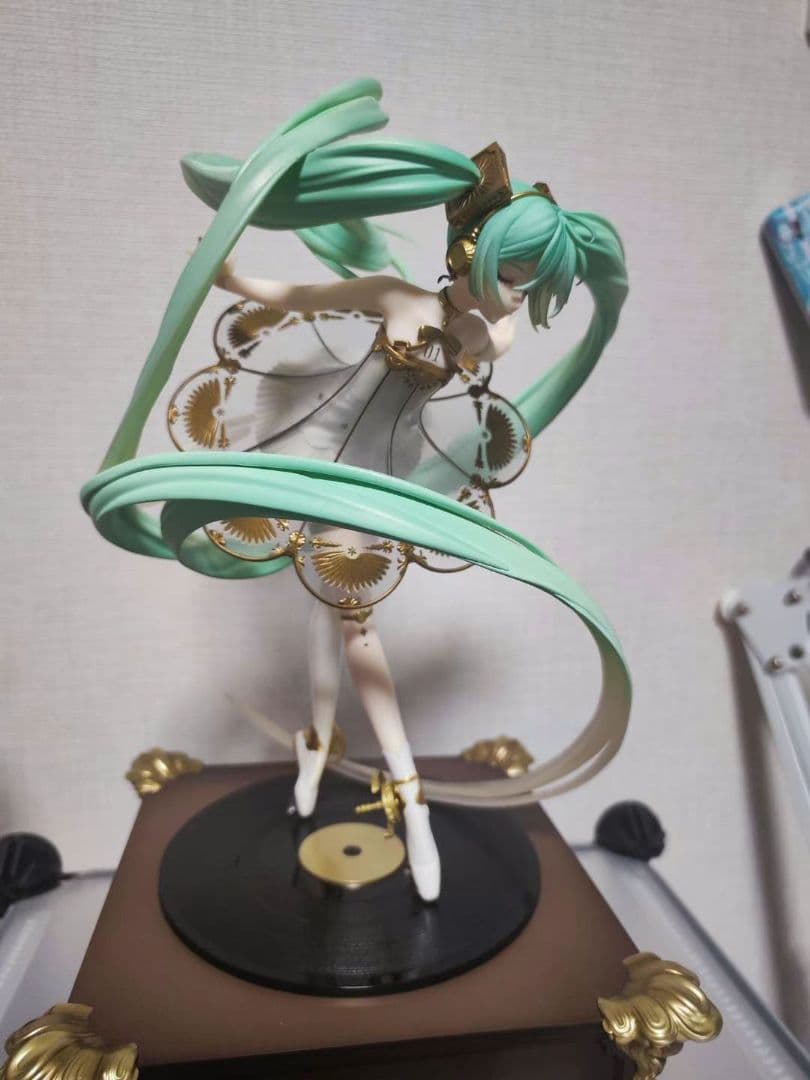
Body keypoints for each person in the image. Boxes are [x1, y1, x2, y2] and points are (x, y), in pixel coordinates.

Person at [84, 79, 630, 903]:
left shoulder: (489, 333)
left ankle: (381, 781)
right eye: (513, 276)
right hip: (309, 452)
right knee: (337, 612)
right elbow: (305, 297)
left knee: (348, 618)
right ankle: (355, 768)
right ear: (471, 255)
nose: (518, 297)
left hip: (380, 479)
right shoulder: (395, 297)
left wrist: (513, 288)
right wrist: (229, 275)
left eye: (527, 285)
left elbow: (499, 332)